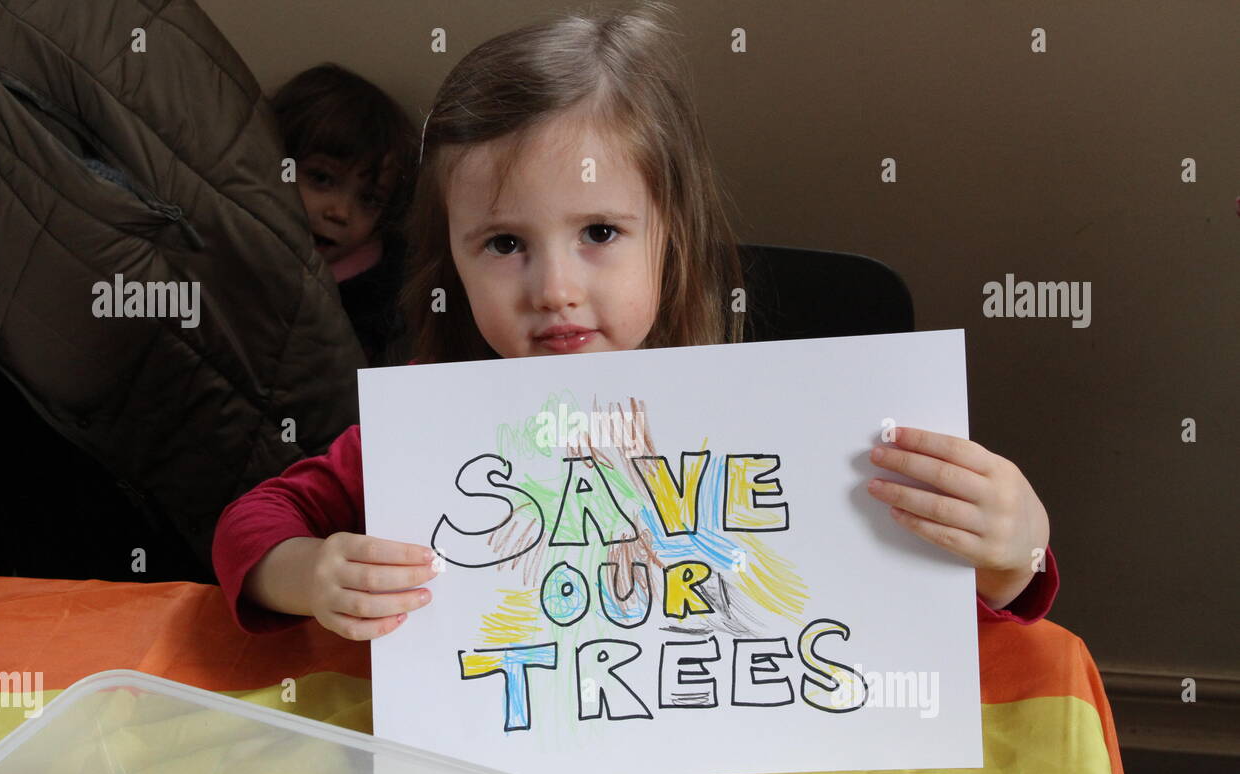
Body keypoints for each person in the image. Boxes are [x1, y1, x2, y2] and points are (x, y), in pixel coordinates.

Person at [213, 5, 1056, 640]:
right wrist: (309, 571)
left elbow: (943, 606)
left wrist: (1011, 553)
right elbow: (254, 521)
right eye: (504, 243)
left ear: (671, 237)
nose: (555, 287)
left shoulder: (775, 422)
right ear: (450, 262)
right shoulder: (434, 423)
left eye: (600, 234)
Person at [272, 64, 417, 366]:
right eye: (322, 179)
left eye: (369, 199)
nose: (340, 212)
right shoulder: (233, 241)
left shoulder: (384, 298)